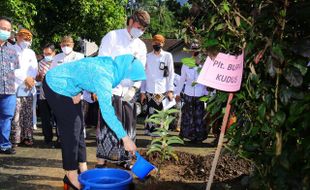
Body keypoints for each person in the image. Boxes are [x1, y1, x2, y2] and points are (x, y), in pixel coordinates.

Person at [43, 54, 145, 189]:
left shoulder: (110, 65)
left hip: (69, 86)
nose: (131, 83)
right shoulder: (105, 77)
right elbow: (107, 113)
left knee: (78, 127)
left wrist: (77, 90)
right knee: (70, 131)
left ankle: (83, 168)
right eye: (131, 79)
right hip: (55, 84)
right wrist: (125, 139)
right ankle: (71, 175)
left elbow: (84, 68)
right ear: (125, 72)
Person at [96, 10, 150, 168]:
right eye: (139, 26)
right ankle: (101, 162)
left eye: (143, 29)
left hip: (128, 94)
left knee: (128, 127)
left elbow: (140, 71)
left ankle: (125, 160)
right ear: (131, 22)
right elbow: (102, 63)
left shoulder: (140, 46)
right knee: (107, 126)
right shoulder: (112, 36)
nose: (140, 31)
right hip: (111, 90)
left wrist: (134, 88)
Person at [140, 34, 175, 135]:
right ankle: (151, 140)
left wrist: (170, 90)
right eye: (155, 43)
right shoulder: (147, 57)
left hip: (162, 91)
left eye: (159, 43)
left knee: (161, 116)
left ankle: (161, 140)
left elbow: (171, 74)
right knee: (151, 115)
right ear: (152, 43)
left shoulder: (168, 56)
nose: (157, 44)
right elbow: (144, 75)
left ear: (163, 44)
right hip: (149, 91)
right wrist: (142, 92)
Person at [175, 41, 209, 143]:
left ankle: (199, 137)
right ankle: (186, 135)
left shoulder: (204, 64)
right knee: (187, 115)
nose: (195, 53)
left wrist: (208, 94)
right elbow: (182, 79)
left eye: (197, 51)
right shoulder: (186, 63)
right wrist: (177, 93)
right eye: (193, 51)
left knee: (199, 116)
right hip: (188, 92)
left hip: (200, 93)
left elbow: (207, 80)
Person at [11, 28, 38, 147]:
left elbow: (34, 68)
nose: (26, 40)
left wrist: (30, 79)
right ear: (17, 37)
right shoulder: (10, 50)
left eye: (28, 39)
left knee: (27, 113)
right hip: (15, 85)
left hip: (28, 87)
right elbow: (12, 68)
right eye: (24, 38)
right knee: (16, 113)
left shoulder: (31, 52)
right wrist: (24, 78)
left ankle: (27, 137)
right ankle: (15, 138)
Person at [0, 16, 19, 154]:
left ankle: (4, 144)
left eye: (8, 30)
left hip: (9, 90)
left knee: (7, 117)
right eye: (2, 29)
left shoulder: (12, 49)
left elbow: (15, 69)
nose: (5, 31)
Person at [36, 43, 57, 147]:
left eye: (49, 53)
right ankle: (48, 139)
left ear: (54, 52)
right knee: (46, 119)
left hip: (57, 95)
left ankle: (60, 139)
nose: (46, 55)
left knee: (58, 118)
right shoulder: (41, 63)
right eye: (44, 54)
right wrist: (39, 77)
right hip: (44, 95)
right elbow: (38, 78)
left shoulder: (58, 62)